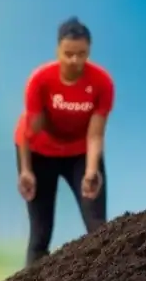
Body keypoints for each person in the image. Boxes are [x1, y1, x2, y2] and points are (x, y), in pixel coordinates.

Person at [16, 18, 114, 264]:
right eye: (68, 54)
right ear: (58, 50)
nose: (75, 61)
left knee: (98, 228)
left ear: (89, 50)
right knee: (40, 233)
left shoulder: (102, 82)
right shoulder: (40, 80)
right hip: (40, 153)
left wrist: (91, 170)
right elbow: (29, 131)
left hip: (80, 154)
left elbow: (95, 134)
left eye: (81, 54)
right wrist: (26, 170)